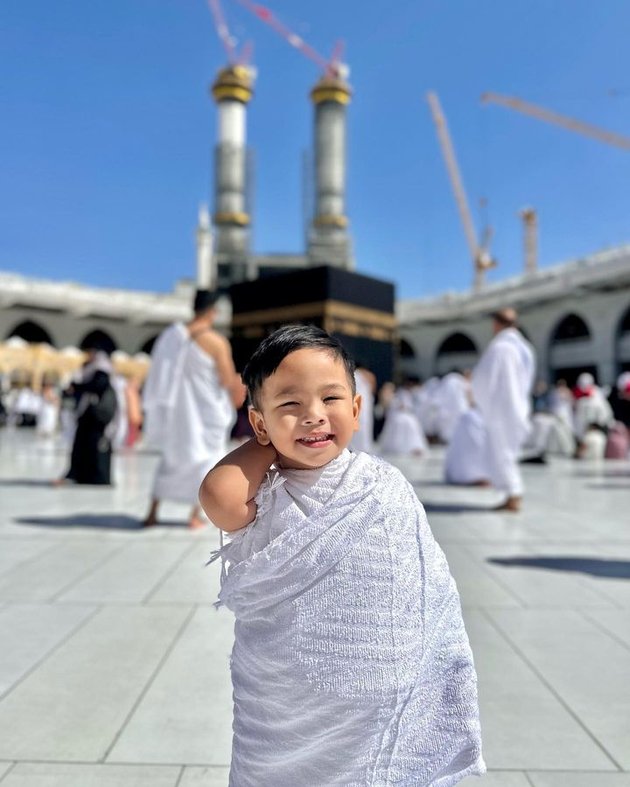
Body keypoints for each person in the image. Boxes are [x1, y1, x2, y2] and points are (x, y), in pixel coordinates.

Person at [200, 325, 485, 786]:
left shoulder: (381, 485)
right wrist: (266, 441)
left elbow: (420, 588)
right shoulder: (267, 494)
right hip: (285, 709)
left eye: (330, 400)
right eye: (290, 405)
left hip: (377, 705)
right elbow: (217, 497)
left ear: (356, 409)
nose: (313, 416)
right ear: (259, 424)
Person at [142, 289, 245, 529]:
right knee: (205, 459)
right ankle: (193, 515)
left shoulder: (173, 336)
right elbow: (226, 378)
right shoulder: (215, 341)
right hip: (204, 412)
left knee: (171, 459)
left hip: (177, 412)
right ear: (212, 311)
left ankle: (152, 512)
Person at [471, 307, 535, 512]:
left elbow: (484, 380)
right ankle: (511, 495)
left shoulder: (500, 348)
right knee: (509, 453)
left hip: (501, 410)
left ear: (497, 324)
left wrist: (481, 400)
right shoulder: (523, 347)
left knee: (504, 454)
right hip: (518, 408)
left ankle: (514, 495)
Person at [54, 346, 118, 486]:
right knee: (83, 445)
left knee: (93, 446)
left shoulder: (101, 369)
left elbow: (97, 386)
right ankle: (82, 475)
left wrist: (77, 387)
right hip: (90, 417)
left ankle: (94, 476)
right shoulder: (93, 369)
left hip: (95, 417)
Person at [349, 362, 376, 453]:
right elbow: (373, 389)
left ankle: (357, 447)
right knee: (365, 426)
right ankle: (364, 447)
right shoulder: (369, 376)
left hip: (357, 403)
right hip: (366, 404)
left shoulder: (353, 375)